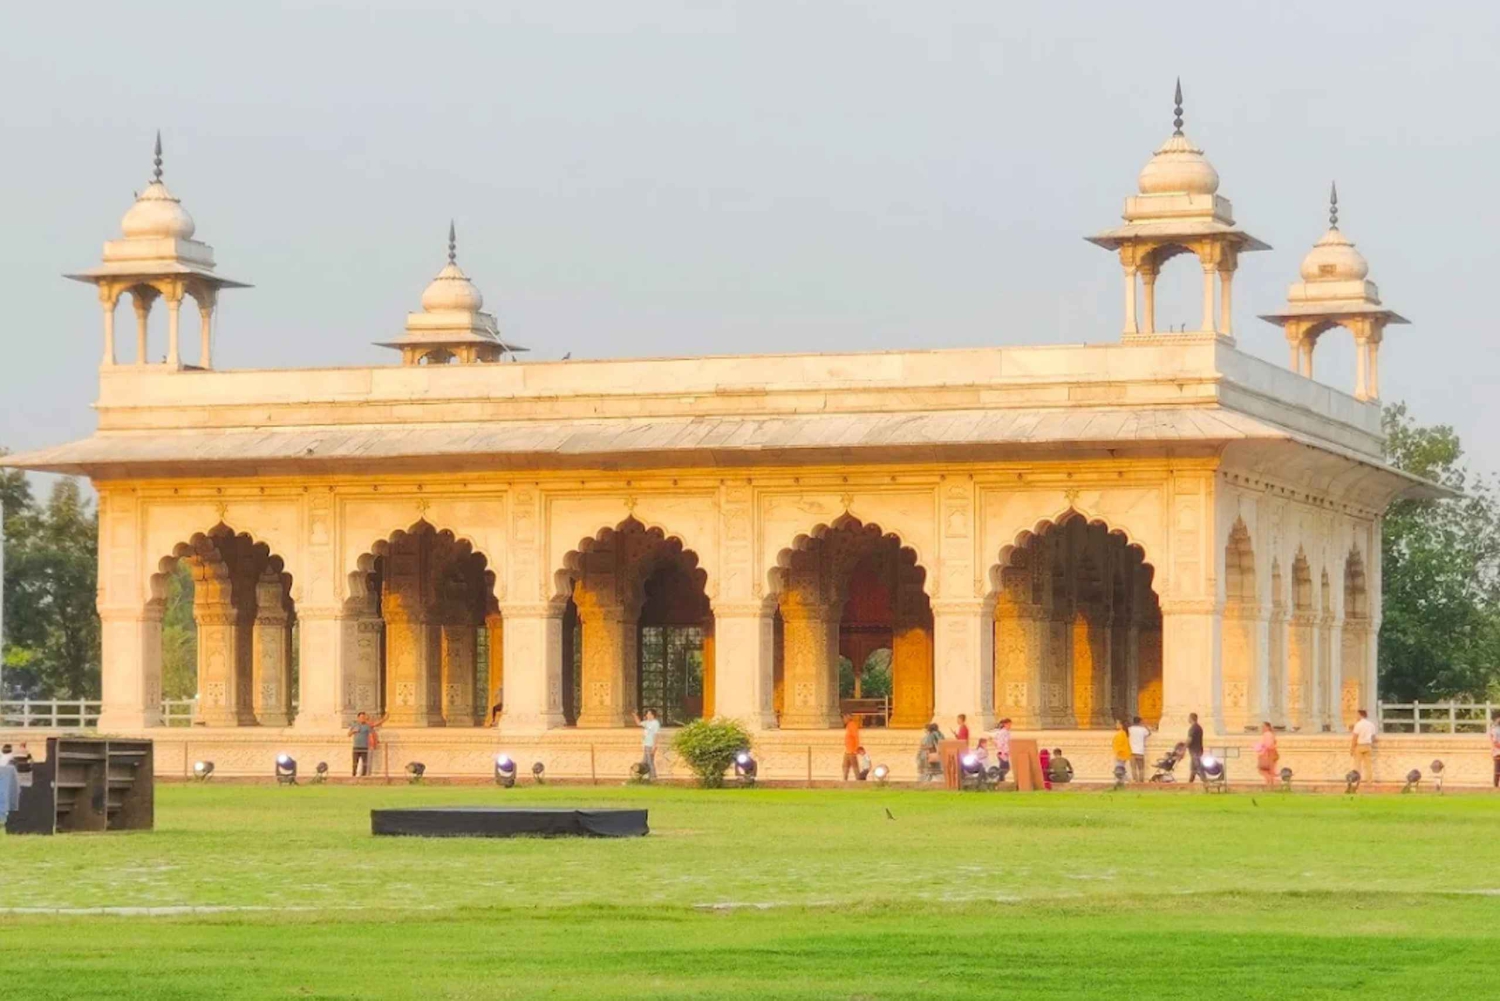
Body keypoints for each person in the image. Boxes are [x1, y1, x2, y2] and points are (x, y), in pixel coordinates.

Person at [348, 711, 386, 778]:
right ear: (358, 718)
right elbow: (349, 734)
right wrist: (353, 731)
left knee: (365, 763)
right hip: (356, 746)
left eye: (364, 717)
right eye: (361, 717)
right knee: (354, 763)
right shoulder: (354, 725)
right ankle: (353, 775)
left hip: (364, 747)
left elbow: (374, 730)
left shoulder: (367, 726)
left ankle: (364, 776)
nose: (363, 718)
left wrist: (384, 719)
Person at [633, 709, 662, 781]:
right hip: (646, 745)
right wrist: (635, 715)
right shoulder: (647, 722)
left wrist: (654, 746)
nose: (647, 715)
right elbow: (639, 723)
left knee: (649, 761)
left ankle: (653, 777)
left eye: (649, 714)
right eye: (647, 714)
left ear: (653, 715)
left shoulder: (655, 723)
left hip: (651, 745)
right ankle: (642, 776)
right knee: (644, 761)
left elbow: (656, 735)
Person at [1350, 708, 1377, 784]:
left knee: (1357, 765)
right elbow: (1373, 737)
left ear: (1360, 715)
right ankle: (1369, 781)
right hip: (1368, 745)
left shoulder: (1358, 725)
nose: (1356, 716)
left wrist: (1352, 748)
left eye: (1357, 715)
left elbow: (1355, 737)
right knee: (1368, 765)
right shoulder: (1371, 724)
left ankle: (1356, 780)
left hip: (1360, 746)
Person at [1254, 721, 1279, 788]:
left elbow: (1268, 745)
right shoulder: (1271, 734)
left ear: (1267, 727)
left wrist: (1264, 752)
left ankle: (1269, 784)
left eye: (1263, 727)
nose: (1262, 728)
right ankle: (1270, 785)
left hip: (1267, 754)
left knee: (1263, 770)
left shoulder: (1267, 734)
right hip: (1271, 753)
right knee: (1270, 771)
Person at [1127, 716, 1151, 783]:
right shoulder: (1143, 729)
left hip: (1132, 751)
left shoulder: (1130, 729)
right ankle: (1141, 781)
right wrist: (1145, 725)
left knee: (1133, 768)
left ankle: (1135, 780)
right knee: (1141, 768)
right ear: (1140, 722)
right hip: (1140, 752)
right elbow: (1149, 733)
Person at [1185, 712, 1205, 785]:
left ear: (1191, 718)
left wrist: (1184, 747)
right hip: (1198, 750)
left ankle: (1206, 782)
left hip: (1195, 751)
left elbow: (1189, 739)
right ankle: (1189, 784)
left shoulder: (1193, 728)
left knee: (1198, 767)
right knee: (1193, 769)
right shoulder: (1199, 727)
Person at [842, 712, 862, 781]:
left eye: (844, 718)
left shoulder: (852, 725)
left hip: (852, 751)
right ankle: (845, 780)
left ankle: (859, 781)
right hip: (848, 751)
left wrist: (855, 749)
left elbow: (856, 737)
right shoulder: (848, 725)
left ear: (848, 718)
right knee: (845, 766)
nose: (843, 720)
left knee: (855, 767)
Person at [1491, 711, 1500, 789]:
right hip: (1498, 752)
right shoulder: (1495, 730)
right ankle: (1496, 786)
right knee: (1497, 771)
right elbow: (1495, 742)